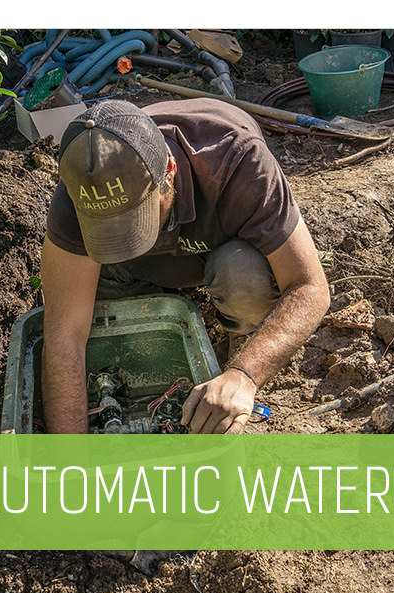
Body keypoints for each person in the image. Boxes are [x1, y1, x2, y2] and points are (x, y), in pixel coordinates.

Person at [40, 97, 329, 434]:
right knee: (92, 309)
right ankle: (153, 303)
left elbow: (310, 287)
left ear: (169, 171)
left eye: (136, 220)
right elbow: (63, 335)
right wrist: (71, 465)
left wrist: (244, 375)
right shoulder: (80, 191)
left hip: (222, 250)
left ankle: (235, 331)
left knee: (245, 279)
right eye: (107, 229)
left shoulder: (238, 162)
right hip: (139, 272)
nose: (126, 237)